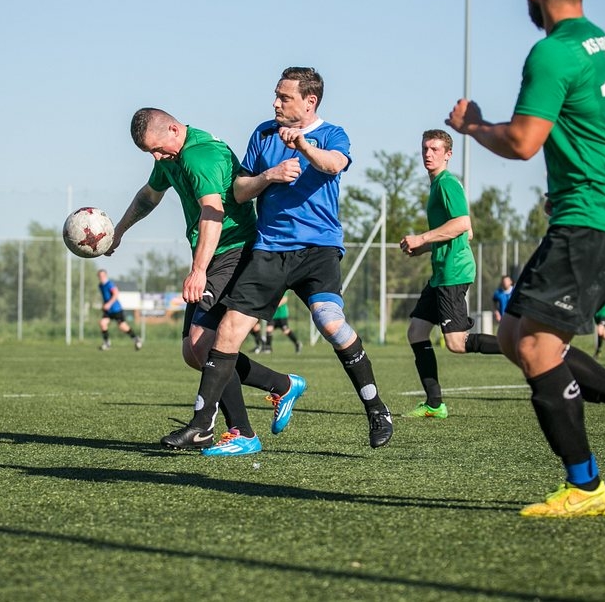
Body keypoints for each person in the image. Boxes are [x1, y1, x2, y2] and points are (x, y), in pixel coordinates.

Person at [446, 0, 605, 518]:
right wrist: (598, 171)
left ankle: (586, 485)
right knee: (513, 336)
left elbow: (523, 142)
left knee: (535, 346)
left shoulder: (551, 53)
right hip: (603, 211)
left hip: (593, 217)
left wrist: (473, 126)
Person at [163, 66, 393, 451]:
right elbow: (239, 190)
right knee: (228, 331)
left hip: (318, 249)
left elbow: (333, 164)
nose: (275, 103)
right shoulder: (263, 134)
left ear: (309, 101)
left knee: (330, 322)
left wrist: (303, 146)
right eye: (276, 95)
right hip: (269, 249)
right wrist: (269, 175)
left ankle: (376, 408)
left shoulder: (331, 134)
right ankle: (204, 425)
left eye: (284, 97)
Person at [110, 108, 307, 456]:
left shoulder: (200, 155)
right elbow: (148, 196)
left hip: (234, 249)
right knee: (193, 351)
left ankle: (232, 431)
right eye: (150, 153)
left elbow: (213, 214)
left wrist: (199, 270)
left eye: (158, 149)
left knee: (204, 342)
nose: (157, 158)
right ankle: (281, 384)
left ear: (174, 129)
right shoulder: (171, 156)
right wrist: (119, 231)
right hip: (212, 253)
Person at [400, 129, 502, 419]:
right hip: (441, 272)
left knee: (456, 343)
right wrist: (423, 248)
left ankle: (519, 346)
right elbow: (466, 233)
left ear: (448, 154)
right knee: (417, 332)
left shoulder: (446, 183)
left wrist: (422, 237)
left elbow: (462, 224)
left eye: (435, 149)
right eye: (425, 148)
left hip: (453, 273)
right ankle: (434, 404)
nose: (428, 154)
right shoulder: (436, 186)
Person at [96, 269, 142, 351]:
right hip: (108, 311)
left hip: (116, 309)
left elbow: (116, 294)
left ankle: (136, 339)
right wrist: (104, 304)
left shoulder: (109, 284)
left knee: (122, 326)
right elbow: (105, 297)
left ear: (106, 276)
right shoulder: (100, 285)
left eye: (103, 275)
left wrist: (109, 304)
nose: (101, 277)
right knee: (103, 323)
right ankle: (107, 343)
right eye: (100, 276)